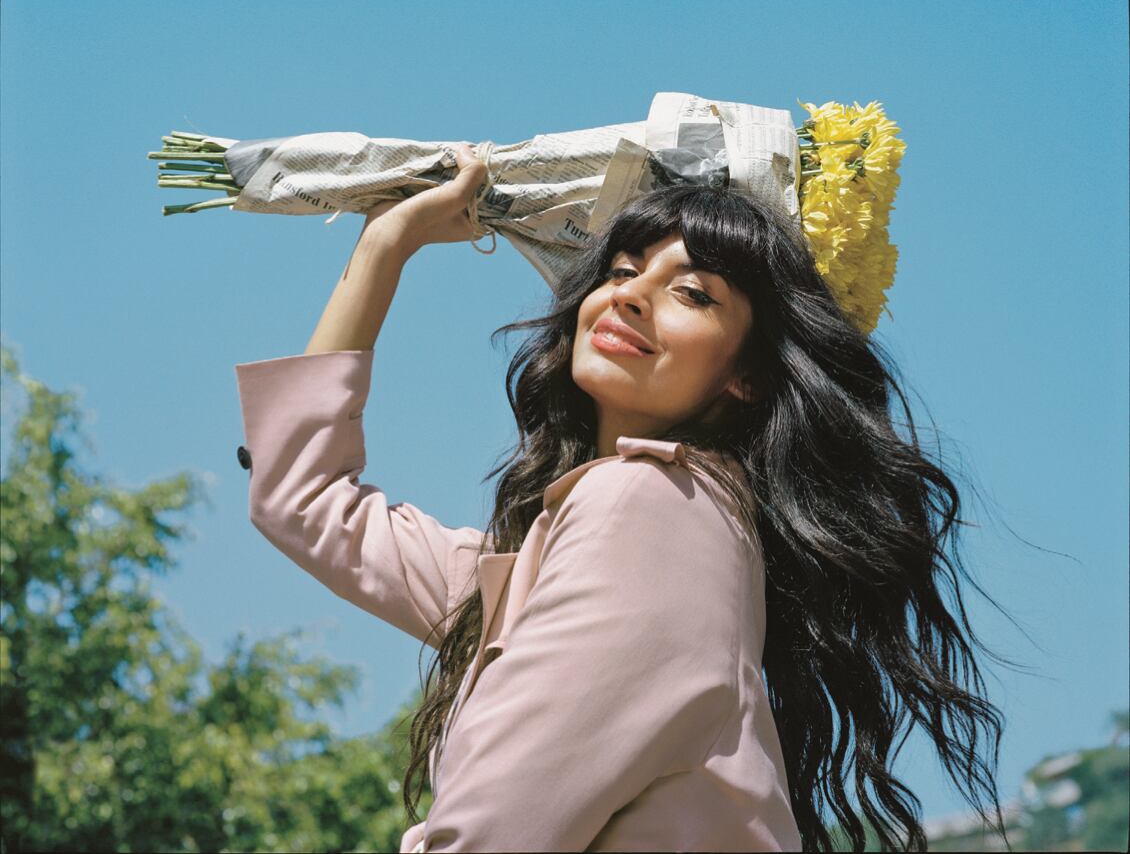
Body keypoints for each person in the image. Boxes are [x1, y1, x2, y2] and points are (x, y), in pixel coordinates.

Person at [234, 145, 1013, 852]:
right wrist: (385, 245)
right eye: (620, 271)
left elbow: (492, 834)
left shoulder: (653, 509)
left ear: (748, 376)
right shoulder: (581, 545)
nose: (631, 296)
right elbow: (301, 498)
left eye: (693, 293)